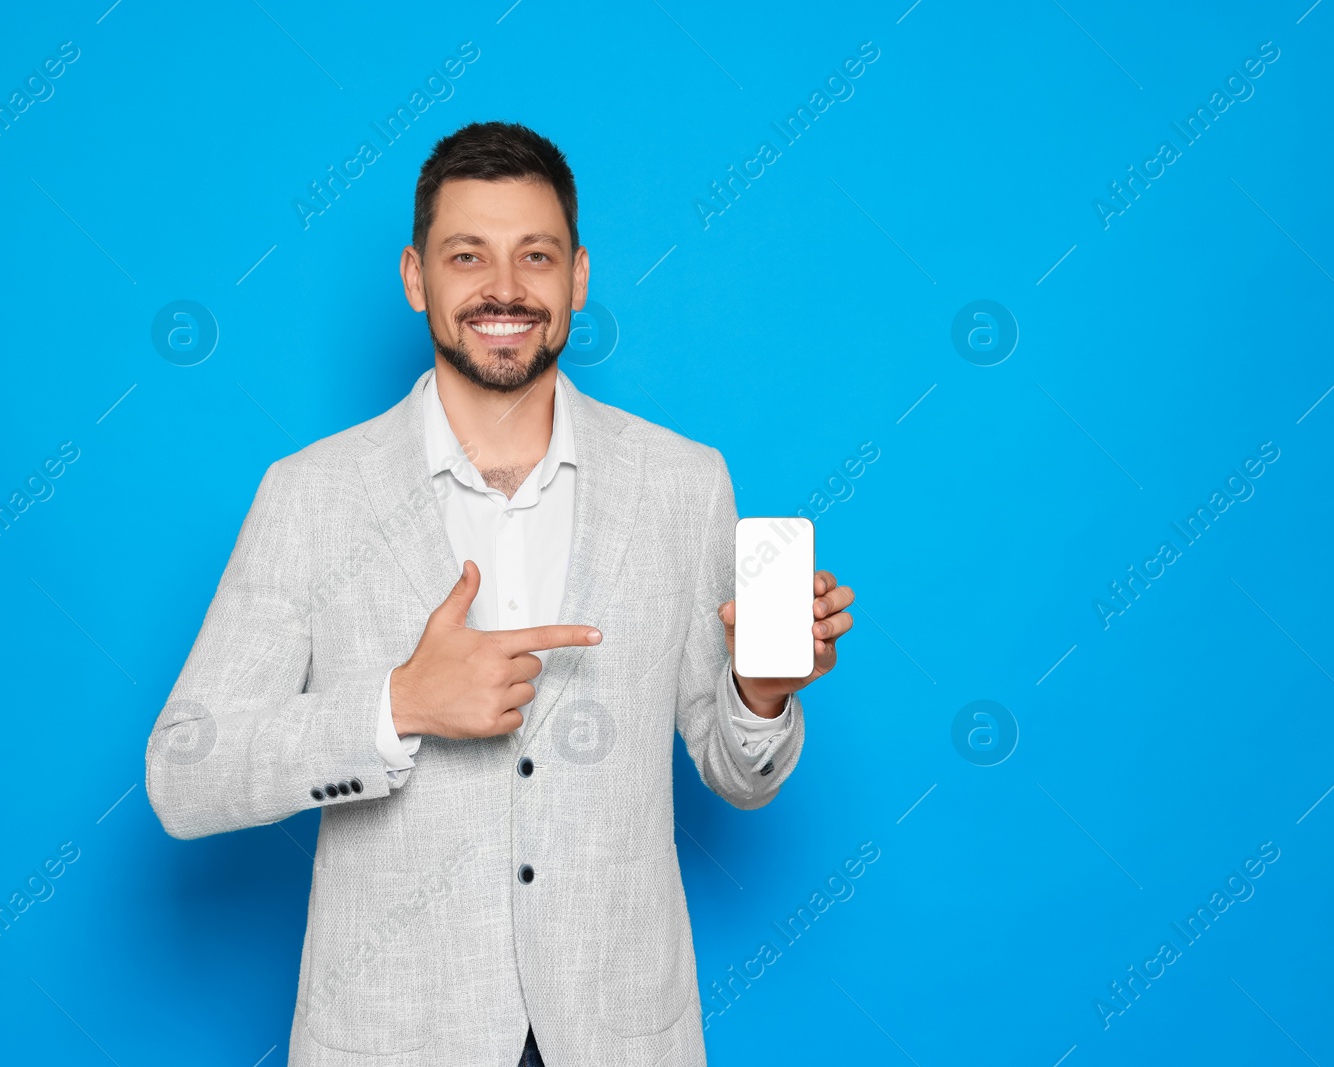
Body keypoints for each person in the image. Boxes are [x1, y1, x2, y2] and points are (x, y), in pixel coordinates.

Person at [144, 120, 855, 1066]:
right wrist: (397, 705)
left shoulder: (684, 483)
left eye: (537, 256)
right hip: (391, 1036)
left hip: (620, 1035)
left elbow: (736, 770)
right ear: (415, 277)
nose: (506, 289)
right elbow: (183, 774)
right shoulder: (309, 495)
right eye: (467, 255)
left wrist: (762, 695)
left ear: (579, 278)